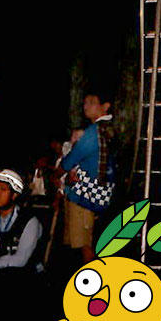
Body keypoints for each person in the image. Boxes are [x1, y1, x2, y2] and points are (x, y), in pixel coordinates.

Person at [55, 92, 116, 264]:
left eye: (91, 102)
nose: (86, 107)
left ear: (105, 106)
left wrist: (61, 170)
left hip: (86, 196)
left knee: (84, 247)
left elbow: (68, 162)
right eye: (84, 103)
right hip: (102, 194)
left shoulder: (93, 133)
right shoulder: (109, 129)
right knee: (88, 244)